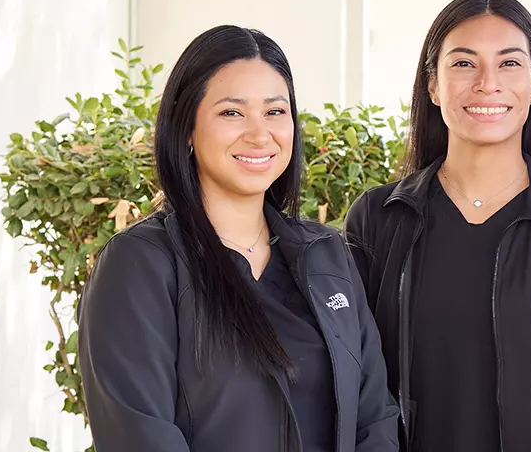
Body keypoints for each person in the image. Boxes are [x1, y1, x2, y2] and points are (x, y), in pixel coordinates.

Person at [79, 25, 399, 452]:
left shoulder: (327, 255)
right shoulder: (141, 264)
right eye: (232, 112)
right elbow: (139, 435)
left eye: (275, 112)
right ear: (186, 127)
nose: (259, 133)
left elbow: (374, 416)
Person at [344, 0, 531, 452]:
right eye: (462, 63)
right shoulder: (377, 219)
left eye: (509, 63)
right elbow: (355, 383)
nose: (487, 83)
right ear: (432, 85)